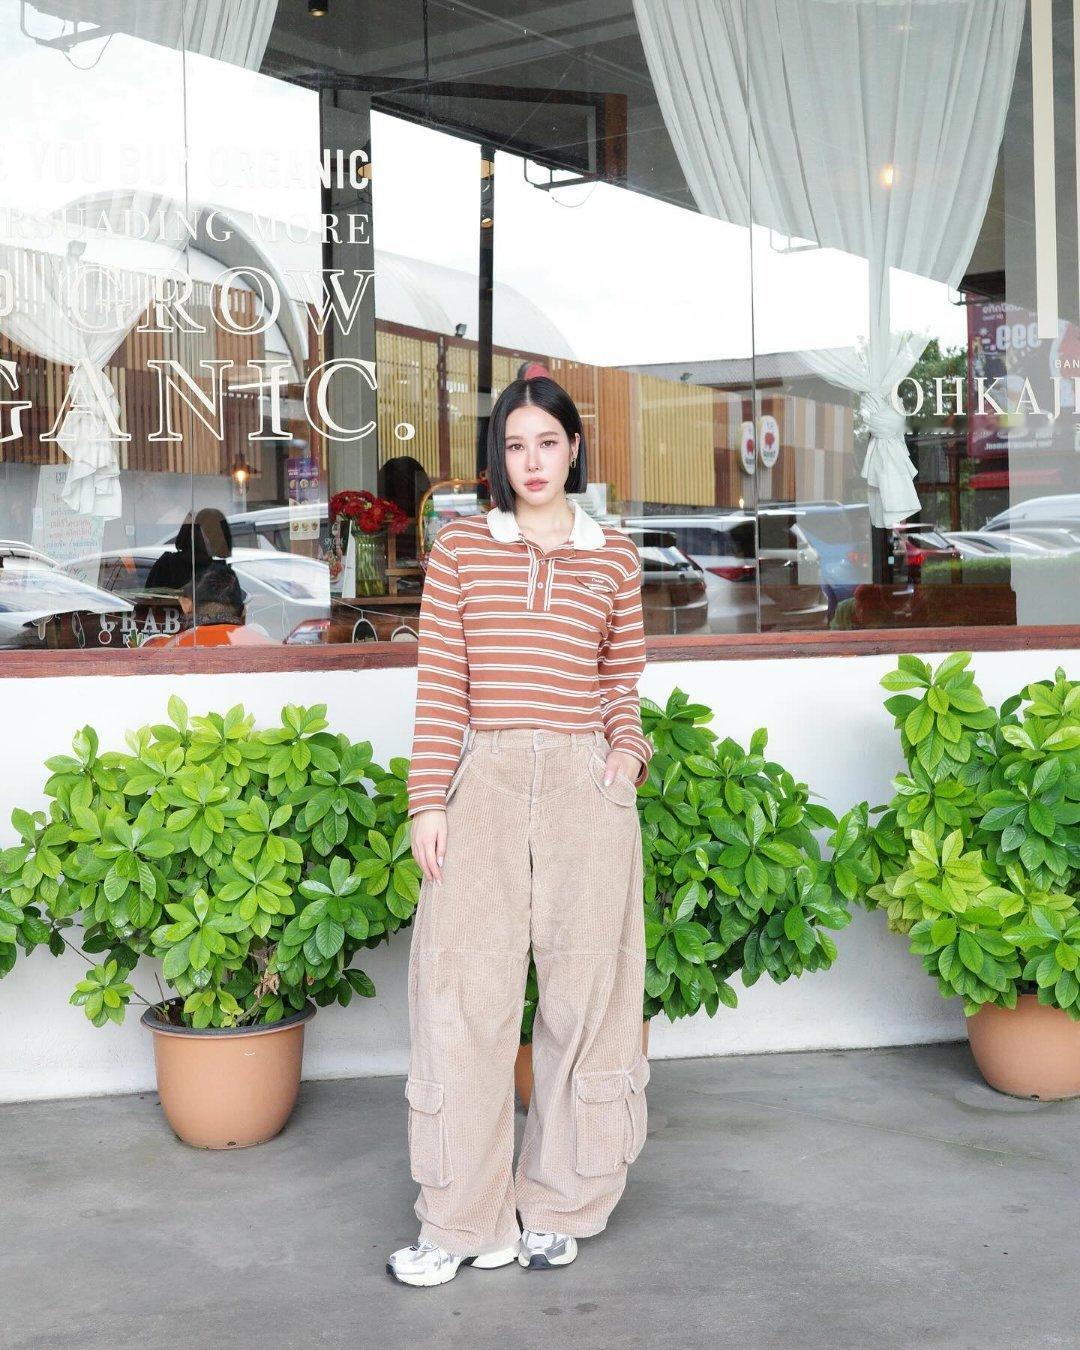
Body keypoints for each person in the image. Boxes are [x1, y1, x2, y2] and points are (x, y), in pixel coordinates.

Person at [387, 376, 653, 1288]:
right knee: (463, 998)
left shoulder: (614, 558)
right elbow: (441, 686)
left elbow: (621, 682)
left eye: (547, 442)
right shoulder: (463, 549)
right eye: (514, 445)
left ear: (574, 447)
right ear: (498, 456)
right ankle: (465, 1221)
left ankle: (559, 1203)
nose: (531, 462)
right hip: (488, 781)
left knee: (587, 998)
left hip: (586, 786)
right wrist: (429, 800)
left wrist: (625, 758)